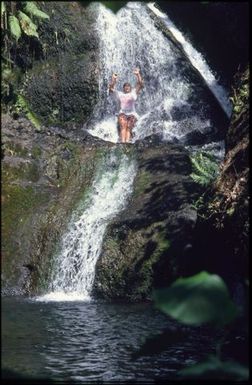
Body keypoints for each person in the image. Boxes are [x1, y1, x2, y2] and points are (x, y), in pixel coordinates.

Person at [108, 68, 144, 143]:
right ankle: (122, 143)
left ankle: (127, 144)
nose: (127, 87)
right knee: (123, 126)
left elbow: (140, 84)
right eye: (125, 86)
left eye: (128, 86)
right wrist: (114, 80)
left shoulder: (133, 93)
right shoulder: (119, 94)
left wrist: (138, 74)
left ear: (130, 88)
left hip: (132, 114)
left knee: (129, 127)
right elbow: (111, 89)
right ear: (123, 88)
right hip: (122, 113)